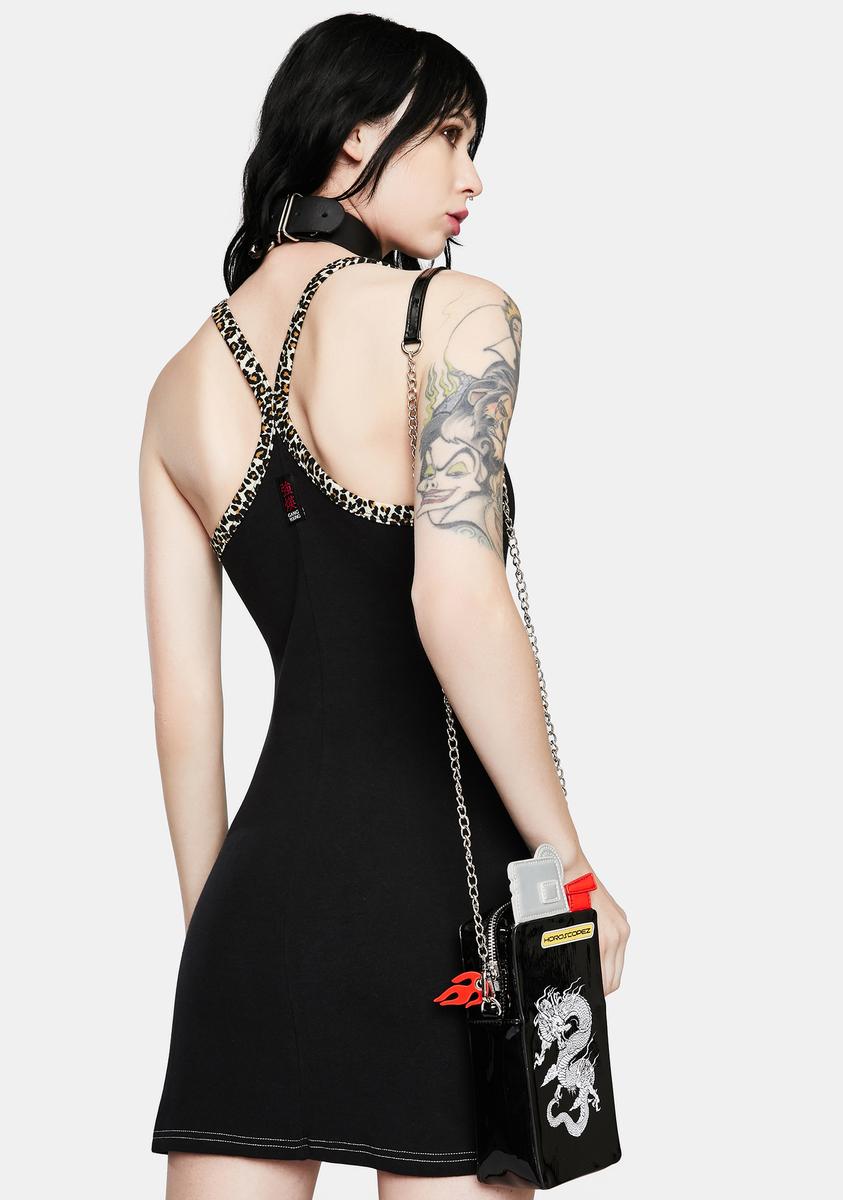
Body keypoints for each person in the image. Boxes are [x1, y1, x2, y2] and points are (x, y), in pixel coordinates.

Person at [139, 12, 630, 1200]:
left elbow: (186, 709)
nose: (473, 178)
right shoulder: (457, 315)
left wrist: (222, 950)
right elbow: (455, 598)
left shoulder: (174, 389)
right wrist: (569, 865)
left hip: (256, 911)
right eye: (450, 136)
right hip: (449, 904)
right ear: (358, 134)